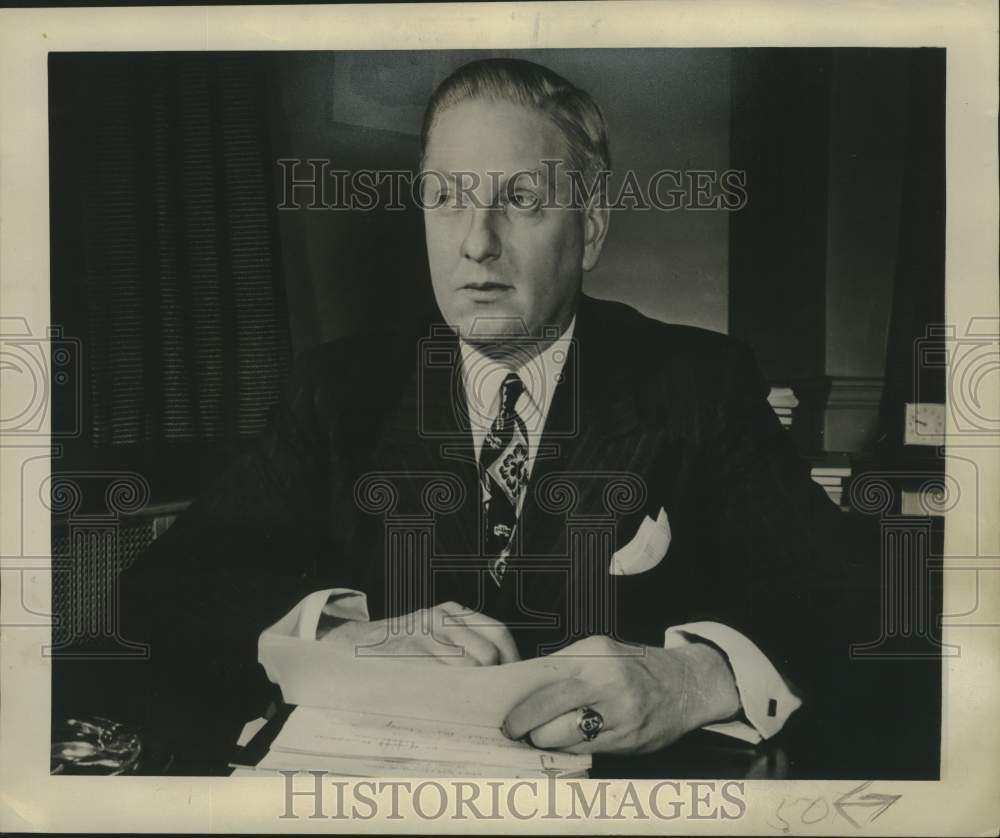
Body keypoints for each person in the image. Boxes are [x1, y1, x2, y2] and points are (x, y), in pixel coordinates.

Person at [75, 57, 885, 772]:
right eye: (446, 199)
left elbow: (850, 598)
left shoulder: (698, 383)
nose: (476, 243)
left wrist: (696, 678)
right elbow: (164, 592)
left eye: (521, 200)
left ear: (591, 228)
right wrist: (331, 636)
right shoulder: (340, 390)